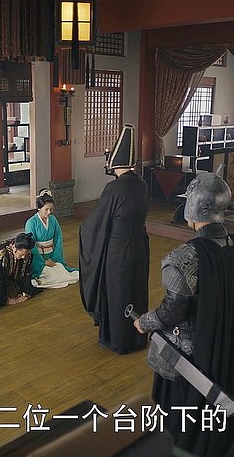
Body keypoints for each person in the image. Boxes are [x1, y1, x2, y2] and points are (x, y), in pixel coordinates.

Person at [133, 170, 234, 457]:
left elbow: (172, 311)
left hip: (189, 355)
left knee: (178, 412)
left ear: (194, 206)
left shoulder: (184, 257)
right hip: (225, 346)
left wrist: (144, 322)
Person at [79, 124, 149, 354]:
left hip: (118, 250)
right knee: (136, 288)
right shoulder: (142, 184)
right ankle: (138, 337)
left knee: (118, 291)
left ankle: (119, 340)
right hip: (139, 244)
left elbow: (97, 222)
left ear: (115, 163)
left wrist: (84, 229)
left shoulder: (114, 188)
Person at [24, 188, 79, 289]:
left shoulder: (53, 220)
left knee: (61, 271)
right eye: (46, 209)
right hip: (38, 259)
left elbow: (58, 238)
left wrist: (55, 258)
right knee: (51, 274)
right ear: (39, 208)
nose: (49, 212)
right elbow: (31, 245)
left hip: (52, 256)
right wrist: (43, 262)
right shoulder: (31, 222)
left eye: (51, 209)